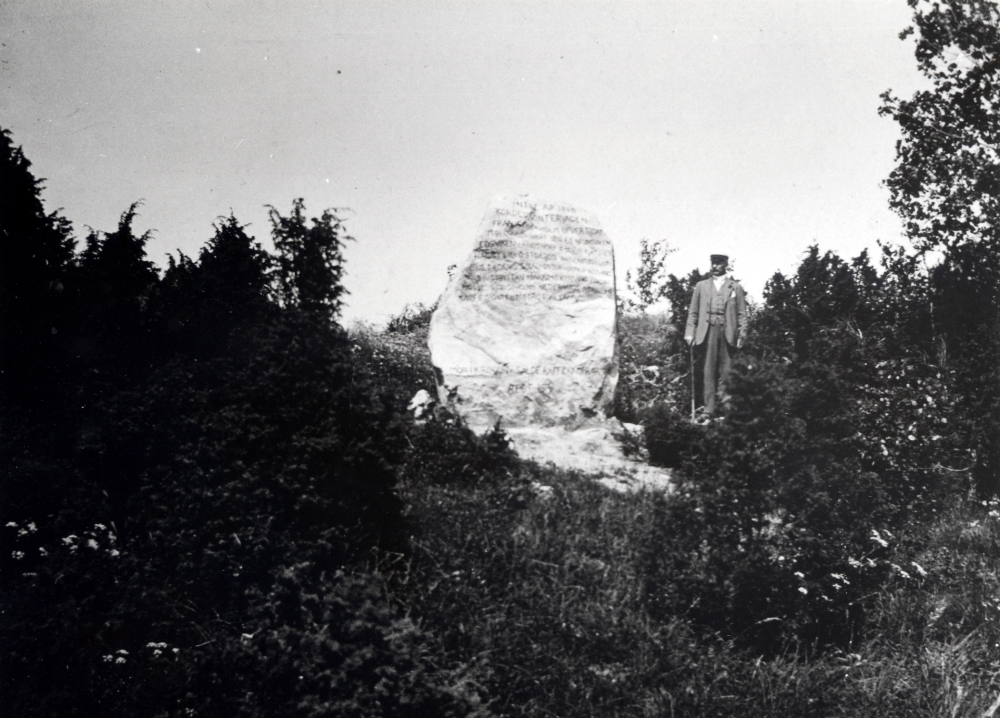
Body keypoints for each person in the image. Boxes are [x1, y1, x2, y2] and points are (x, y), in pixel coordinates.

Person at [684, 253, 746, 418]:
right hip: (707, 331)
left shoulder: (735, 287)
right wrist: (689, 333)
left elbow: (742, 314)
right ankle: (708, 410)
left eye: (718, 263)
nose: (714, 266)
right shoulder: (701, 286)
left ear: (726, 264)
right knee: (708, 370)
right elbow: (693, 312)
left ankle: (726, 411)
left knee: (726, 372)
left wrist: (742, 334)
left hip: (728, 332)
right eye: (713, 262)